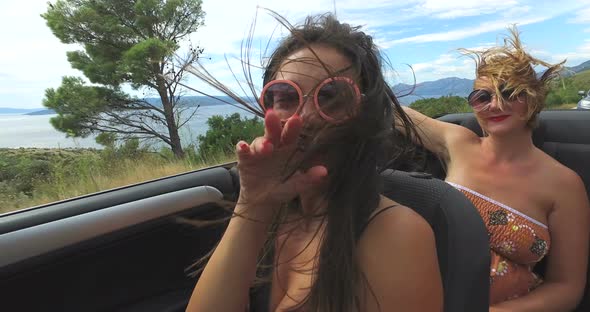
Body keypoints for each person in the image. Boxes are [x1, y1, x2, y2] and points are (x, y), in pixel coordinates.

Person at [184, 12, 443, 312]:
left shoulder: (398, 234)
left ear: (365, 115)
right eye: (285, 96)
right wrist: (253, 204)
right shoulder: (271, 216)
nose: (303, 117)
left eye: (332, 96)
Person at [399, 27, 589, 311]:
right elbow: (394, 115)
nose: (495, 104)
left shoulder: (564, 184)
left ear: (533, 98)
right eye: (481, 97)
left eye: (509, 92)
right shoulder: (458, 142)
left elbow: (566, 288)